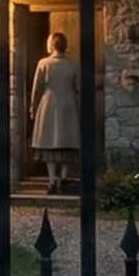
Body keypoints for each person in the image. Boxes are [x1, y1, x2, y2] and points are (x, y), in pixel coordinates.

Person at [29, 31, 80, 194]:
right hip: (68, 105)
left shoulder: (43, 64)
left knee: (50, 141)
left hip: (49, 104)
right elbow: (78, 88)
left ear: (52, 45)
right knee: (66, 140)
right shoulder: (72, 65)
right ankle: (63, 178)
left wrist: (33, 106)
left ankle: (52, 180)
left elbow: (37, 88)